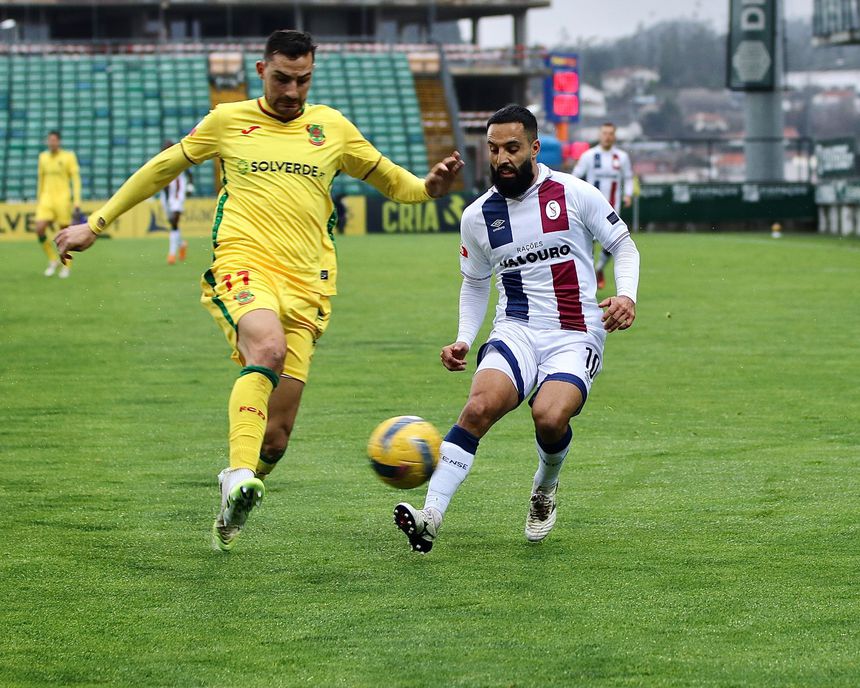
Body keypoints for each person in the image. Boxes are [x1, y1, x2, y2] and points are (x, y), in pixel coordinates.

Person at [55, 29, 464, 552]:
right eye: (281, 79)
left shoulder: (331, 127)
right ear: (260, 71)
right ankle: (236, 474)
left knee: (278, 433)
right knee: (265, 349)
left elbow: (395, 182)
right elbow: (164, 168)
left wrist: (431, 186)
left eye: (302, 80)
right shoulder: (228, 121)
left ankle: (237, 502)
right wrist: (97, 222)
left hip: (309, 284)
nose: (292, 91)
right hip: (243, 265)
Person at [394, 105, 639, 553]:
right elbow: (474, 283)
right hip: (516, 330)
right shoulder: (477, 216)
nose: (502, 157)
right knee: (478, 407)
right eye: (493, 149)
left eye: (512, 148)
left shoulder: (573, 193)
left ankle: (545, 487)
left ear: (533, 147)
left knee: (549, 416)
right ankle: (430, 516)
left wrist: (627, 296)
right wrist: (465, 337)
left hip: (575, 332)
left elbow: (623, 246)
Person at [572, 122, 634, 289]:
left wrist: (628, 194)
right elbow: (575, 176)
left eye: (610, 133)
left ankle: (599, 269)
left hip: (613, 208)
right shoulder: (589, 156)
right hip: (591, 208)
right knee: (588, 242)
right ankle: (589, 276)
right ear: (600, 135)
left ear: (614, 136)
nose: (607, 136)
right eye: (605, 133)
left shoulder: (621, 157)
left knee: (611, 242)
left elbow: (628, 177)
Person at [36, 130, 81, 278]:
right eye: (49, 140)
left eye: (54, 140)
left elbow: (75, 180)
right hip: (46, 200)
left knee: (65, 235)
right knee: (40, 228)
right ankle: (52, 259)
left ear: (59, 141)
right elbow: (40, 180)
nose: (52, 142)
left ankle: (66, 266)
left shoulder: (68, 157)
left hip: (62, 199)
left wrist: (77, 201)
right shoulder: (43, 157)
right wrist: (39, 198)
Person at [159, 140, 189, 265]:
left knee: (174, 224)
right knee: (173, 224)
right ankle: (182, 244)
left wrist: (190, 186)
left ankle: (171, 255)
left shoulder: (180, 158)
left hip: (178, 196)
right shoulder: (162, 161)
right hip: (166, 197)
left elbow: (189, 172)